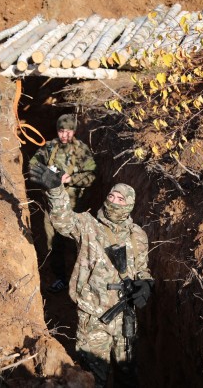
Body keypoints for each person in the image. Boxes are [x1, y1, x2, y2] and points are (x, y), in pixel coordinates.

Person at [30, 164, 153, 387]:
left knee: (128, 376)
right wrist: (56, 190)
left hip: (125, 317)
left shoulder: (138, 236)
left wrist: (146, 284)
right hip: (93, 317)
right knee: (94, 378)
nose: (114, 202)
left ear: (130, 205)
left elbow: (143, 268)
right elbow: (62, 220)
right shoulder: (88, 225)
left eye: (120, 199)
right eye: (111, 196)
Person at [29, 113, 97, 293]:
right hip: (51, 204)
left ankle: (80, 281)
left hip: (75, 205)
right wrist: (44, 174)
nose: (64, 135)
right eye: (61, 131)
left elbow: (91, 176)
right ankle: (60, 277)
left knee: (77, 243)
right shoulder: (49, 148)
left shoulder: (82, 150)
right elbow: (32, 165)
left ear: (74, 131)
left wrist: (70, 179)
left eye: (68, 132)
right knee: (52, 242)